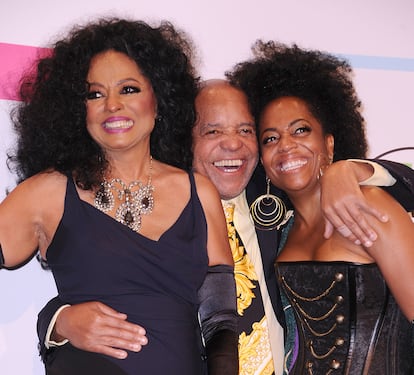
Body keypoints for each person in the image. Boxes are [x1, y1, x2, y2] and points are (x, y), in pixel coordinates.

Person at [37, 77, 414, 375]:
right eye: (213, 131)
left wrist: (356, 168)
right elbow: (105, 280)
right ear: (185, 141)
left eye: (247, 131)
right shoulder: (151, 220)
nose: (232, 145)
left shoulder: (283, 202)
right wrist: (58, 321)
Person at [0, 18, 239, 375]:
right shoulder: (47, 192)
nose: (112, 105)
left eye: (128, 89)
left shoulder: (199, 192)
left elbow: (219, 316)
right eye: (94, 94)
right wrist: (59, 323)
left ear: (158, 100)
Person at [228, 40, 414, 374]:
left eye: (301, 130)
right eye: (270, 138)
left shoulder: (369, 203)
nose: (286, 146)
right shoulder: (280, 233)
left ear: (329, 144)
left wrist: (356, 168)